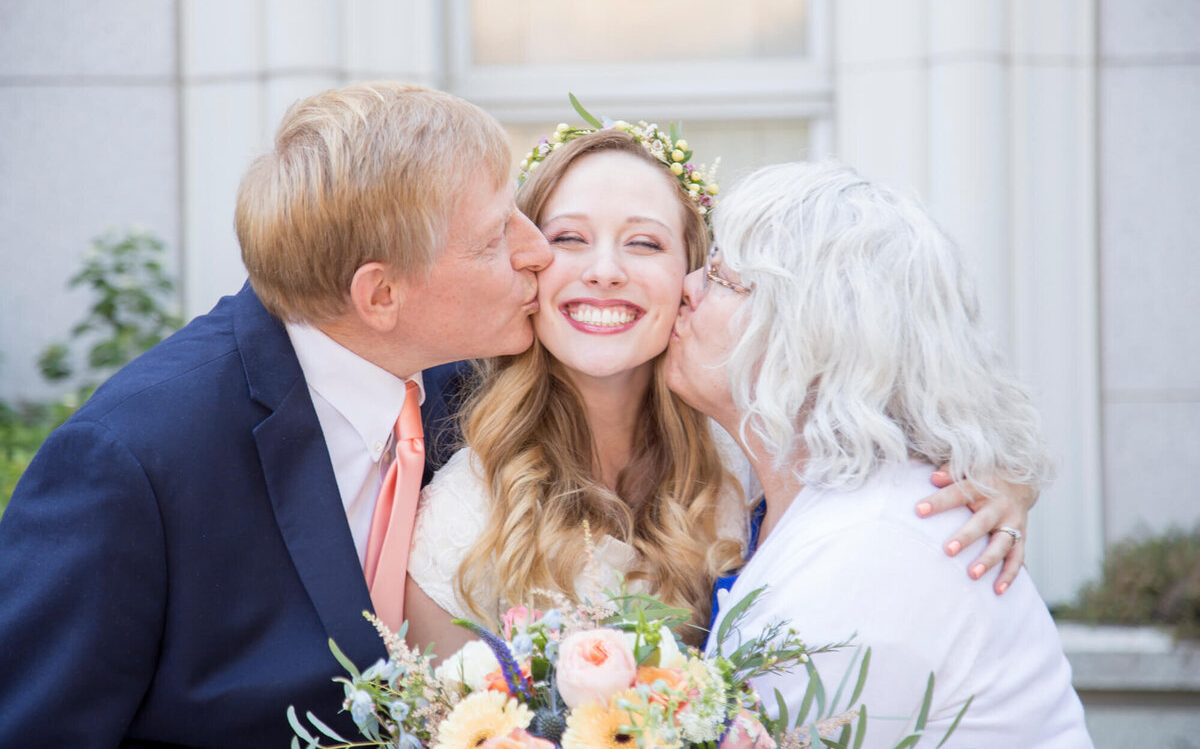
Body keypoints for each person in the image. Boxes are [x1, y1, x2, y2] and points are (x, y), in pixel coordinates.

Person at [0, 82, 551, 747]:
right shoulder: (131, 461)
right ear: (379, 294)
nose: (538, 251)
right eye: (495, 239)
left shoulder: (465, 378)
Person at [404, 122, 1040, 655]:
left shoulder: (759, 449)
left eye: (644, 243)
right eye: (569, 238)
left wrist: (999, 482)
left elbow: (897, 422)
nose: (604, 272)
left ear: (692, 276)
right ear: (528, 259)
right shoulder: (463, 513)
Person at [671, 161, 1092, 746]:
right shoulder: (803, 498)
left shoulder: (875, 549)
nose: (685, 286)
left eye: (719, 275)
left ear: (810, 329)